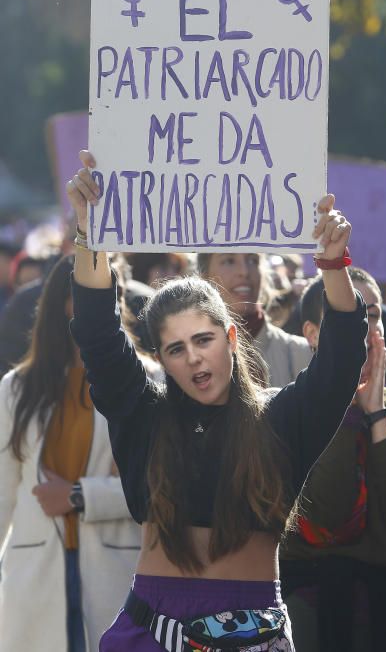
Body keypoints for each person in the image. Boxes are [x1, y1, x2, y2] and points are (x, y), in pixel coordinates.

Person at [65, 150, 367, 652]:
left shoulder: (281, 417)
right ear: (159, 357)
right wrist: (88, 232)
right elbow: (97, 333)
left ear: (230, 336)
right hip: (152, 627)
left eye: (204, 340)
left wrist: (334, 263)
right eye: (176, 349)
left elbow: (339, 363)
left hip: (254, 631)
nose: (194, 360)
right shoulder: (144, 414)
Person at [280, 267, 386, 652]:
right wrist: (345, 408)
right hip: (311, 604)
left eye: (372, 316)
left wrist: (378, 415)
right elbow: (326, 512)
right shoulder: (287, 407)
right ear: (313, 334)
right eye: (348, 318)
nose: (365, 330)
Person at [0, 254, 141, 652]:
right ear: (63, 299)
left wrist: (80, 496)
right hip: (34, 576)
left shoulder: (148, 381)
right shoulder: (16, 388)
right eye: (86, 288)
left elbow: (154, 491)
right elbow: (3, 495)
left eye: (110, 289)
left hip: (117, 571)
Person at [196, 253, 312, 387]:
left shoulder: (303, 353)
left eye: (253, 260)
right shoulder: (189, 360)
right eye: (229, 261)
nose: (244, 272)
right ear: (204, 276)